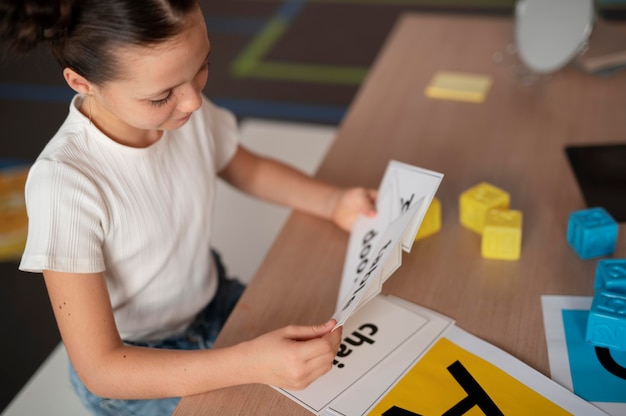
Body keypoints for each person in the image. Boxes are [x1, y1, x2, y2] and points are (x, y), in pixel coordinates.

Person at [0, 1, 377, 414]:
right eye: (161, 95)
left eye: (202, 66)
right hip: (139, 363)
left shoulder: (182, 111)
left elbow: (246, 169)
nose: (193, 102)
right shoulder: (65, 184)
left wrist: (334, 201)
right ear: (82, 82)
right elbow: (101, 367)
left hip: (212, 303)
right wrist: (249, 363)